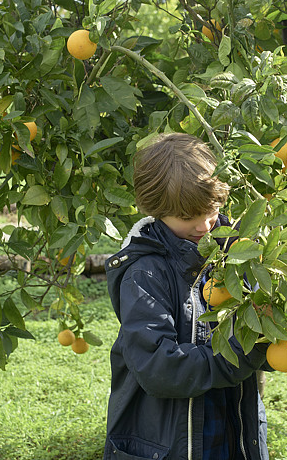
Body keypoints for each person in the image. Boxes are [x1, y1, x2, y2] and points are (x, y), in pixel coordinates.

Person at [103, 132, 270, 460]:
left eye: (211, 210)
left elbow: (255, 327)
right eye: (186, 218)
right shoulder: (145, 273)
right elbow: (157, 366)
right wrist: (239, 357)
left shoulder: (235, 253)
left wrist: (274, 334)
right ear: (157, 212)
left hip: (232, 430)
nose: (204, 226)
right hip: (170, 442)